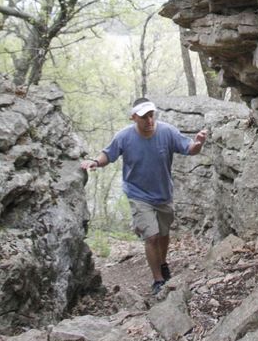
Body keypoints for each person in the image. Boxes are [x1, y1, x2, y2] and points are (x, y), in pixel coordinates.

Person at [81, 97, 208, 296]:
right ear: (134, 118)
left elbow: (189, 148)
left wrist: (199, 143)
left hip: (163, 194)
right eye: (144, 117)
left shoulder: (167, 132)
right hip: (138, 194)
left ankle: (163, 263)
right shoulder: (124, 136)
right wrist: (94, 163)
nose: (149, 121)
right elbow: (109, 154)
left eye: (151, 116)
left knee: (164, 235)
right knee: (152, 236)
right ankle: (157, 280)